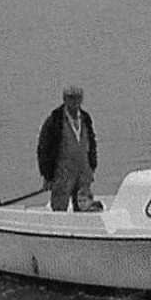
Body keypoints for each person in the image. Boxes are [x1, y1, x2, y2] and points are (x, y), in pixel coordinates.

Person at [37, 84, 99, 212]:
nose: (75, 101)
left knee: (84, 205)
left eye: (78, 98)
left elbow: (91, 143)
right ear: (64, 99)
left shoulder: (85, 118)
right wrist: (47, 176)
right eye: (71, 98)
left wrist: (92, 165)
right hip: (62, 172)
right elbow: (44, 149)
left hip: (83, 171)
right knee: (60, 206)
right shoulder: (55, 120)